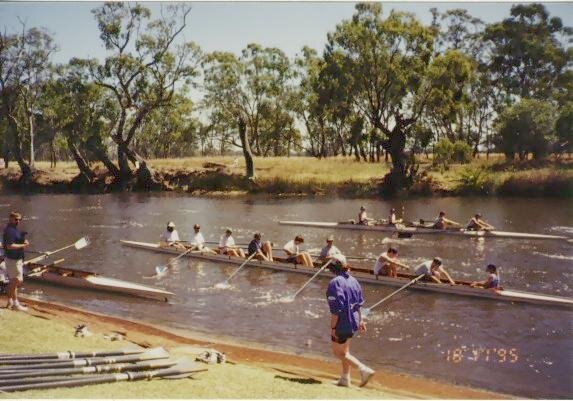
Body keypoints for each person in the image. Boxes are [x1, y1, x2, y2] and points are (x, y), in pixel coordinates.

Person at [326, 253, 374, 388]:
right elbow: (359, 304)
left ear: (334, 267)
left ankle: (364, 369)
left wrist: (333, 328)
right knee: (345, 352)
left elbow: (336, 309)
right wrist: (360, 321)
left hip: (342, 322)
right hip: (353, 321)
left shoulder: (335, 283)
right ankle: (345, 379)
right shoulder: (354, 281)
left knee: (338, 353)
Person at [3, 212, 30, 311]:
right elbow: (10, 246)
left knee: (14, 282)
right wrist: (24, 245)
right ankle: (16, 304)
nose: (18, 221)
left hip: (17, 259)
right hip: (12, 260)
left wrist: (24, 241)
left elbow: (16, 241)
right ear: (10, 219)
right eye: (16, 219)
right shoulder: (9, 230)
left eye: (19, 219)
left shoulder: (14, 229)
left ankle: (11, 301)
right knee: (16, 281)